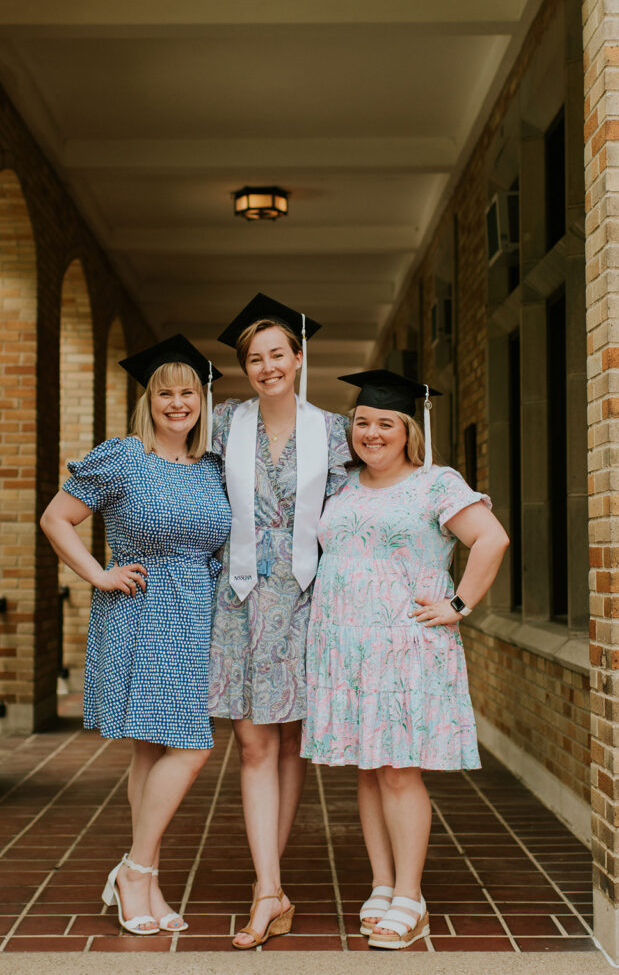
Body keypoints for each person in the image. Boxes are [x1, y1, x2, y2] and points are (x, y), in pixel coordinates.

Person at [301, 369, 509, 950]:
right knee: (370, 768)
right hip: (346, 647)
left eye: (384, 423)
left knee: (398, 770)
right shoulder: (340, 486)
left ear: (408, 430)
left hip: (405, 645)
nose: (371, 433)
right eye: (362, 422)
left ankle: (411, 898)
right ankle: (383, 883)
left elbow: (491, 540)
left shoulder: (436, 484)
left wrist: (459, 603)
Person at [40, 334, 231, 936]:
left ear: (202, 399)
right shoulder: (121, 456)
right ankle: (136, 869)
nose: (177, 403)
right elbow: (56, 519)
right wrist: (98, 572)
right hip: (141, 609)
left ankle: (145, 881)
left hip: (196, 612)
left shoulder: (212, 465)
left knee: (153, 748)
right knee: (191, 747)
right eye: (164, 392)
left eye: (188, 392)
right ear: (147, 399)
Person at [209, 294, 350, 949]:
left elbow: (353, 517)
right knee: (253, 742)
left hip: (306, 600)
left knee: (291, 742)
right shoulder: (221, 424)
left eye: (277, 354)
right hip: (238, 601)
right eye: (254, 358)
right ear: (243, 367)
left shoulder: (335, 430)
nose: (267, 366)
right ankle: (268, 888)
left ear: (298, 358)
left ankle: (274, 883)